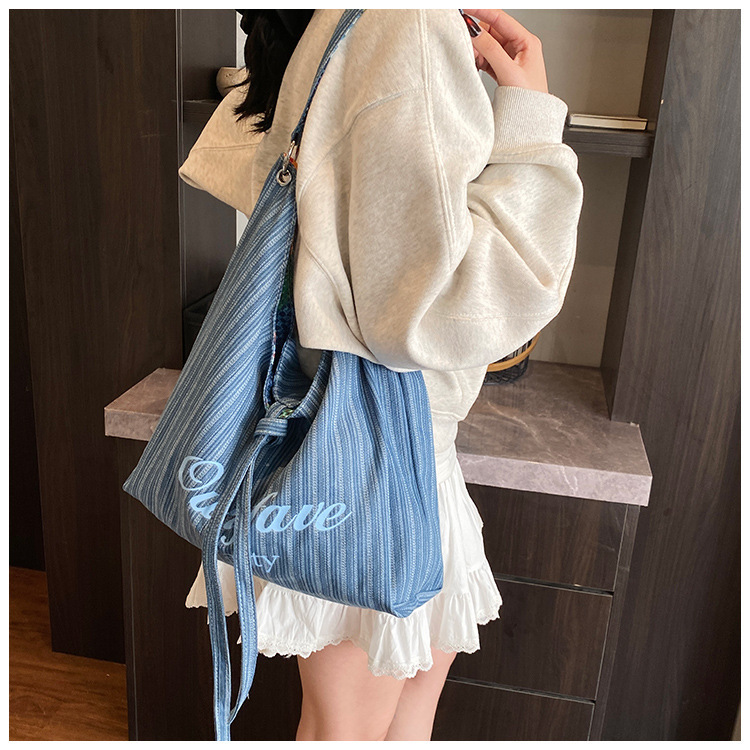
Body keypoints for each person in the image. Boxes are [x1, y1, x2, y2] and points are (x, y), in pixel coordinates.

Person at [180, 9, 584, 741]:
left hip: (366, 437)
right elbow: (441, 308)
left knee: (375, 727)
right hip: (378, 452)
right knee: (358, 732)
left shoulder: (360, 19)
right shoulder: (403, 23)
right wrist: (529, 125)